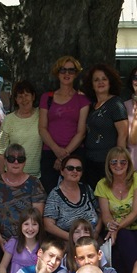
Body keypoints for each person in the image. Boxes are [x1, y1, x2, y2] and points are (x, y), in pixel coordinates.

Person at [95, 147, 137, 273]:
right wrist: (112, 226)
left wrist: (116, 229)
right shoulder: (102, 184)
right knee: (120, 245)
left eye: (123, 162)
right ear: (108, 165)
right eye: (114, 162)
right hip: (116, 232)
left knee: (122, 242)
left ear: (129, 164)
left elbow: (136, 211)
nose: (118, 165)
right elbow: (106, 215)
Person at [0, 144, 46, 269]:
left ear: (25, 162)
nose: (16, 162)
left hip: (29, 235)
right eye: (11, 159)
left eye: (20, 159)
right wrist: (0, 239)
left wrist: (25, 238)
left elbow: (37, 215)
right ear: (5, 161)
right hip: (0, 236)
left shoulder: (34, 183)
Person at [38, 56, 90, 194]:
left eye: (71, 70)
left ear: (76, 74)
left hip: (75, 153)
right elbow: (42, 128)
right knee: (49, 193)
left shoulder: (82, 99)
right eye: (63, 70)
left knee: (75, 194)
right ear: (57, 73)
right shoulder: (47, 98)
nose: (67, 74)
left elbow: (81, 132)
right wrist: (57, 151)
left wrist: (63, 156)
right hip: (50, 152)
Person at [82, 64, 128, 187]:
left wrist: (119, 161)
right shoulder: (92, 106)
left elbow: (123, 134)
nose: (100, 82)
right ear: (91, 84)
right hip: (90, 161)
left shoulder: (116, 103)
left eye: (104, 79)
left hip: (108, 162)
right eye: (96, 80)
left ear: (110, 82)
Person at [43, 155, 101, 240]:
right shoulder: (55, 195)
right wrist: (72, 238)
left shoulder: (87, 189)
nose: (75, 171)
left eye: (78, 169)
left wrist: (96, 233)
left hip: (92, 239)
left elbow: (100, 212)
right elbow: (48, 225)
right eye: (70, 168)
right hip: (67, 242)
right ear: (62, 171)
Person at [0, 80, 41, 178]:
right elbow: (0, 150)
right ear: (16, 100)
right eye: (20, 96)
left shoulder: (41, 115)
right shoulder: (9, 119)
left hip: (35, 176)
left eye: (27, 95)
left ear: (33, 96)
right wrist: (1, 176)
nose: (24, 99)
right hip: (12, 175)